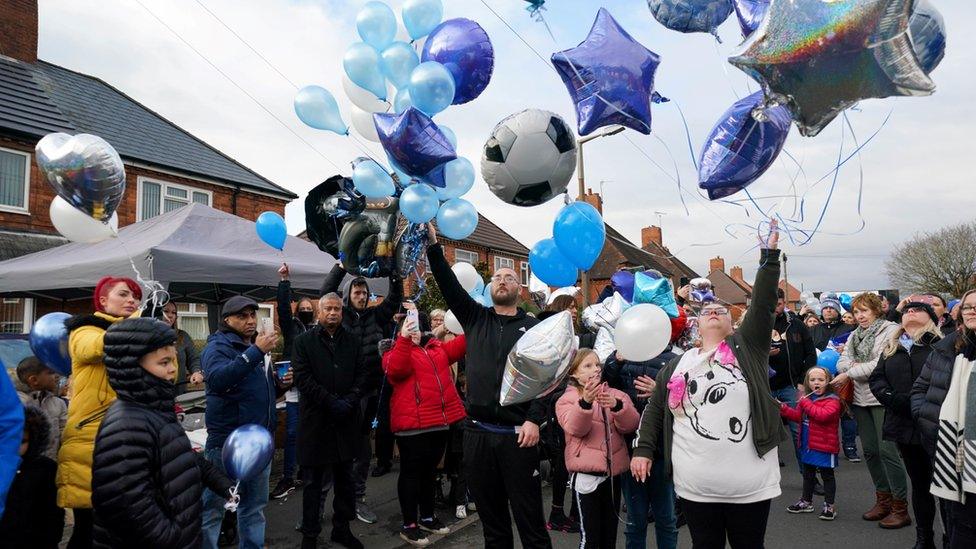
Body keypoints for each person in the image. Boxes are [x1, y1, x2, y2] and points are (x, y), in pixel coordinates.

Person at [631, 221, 786, 549]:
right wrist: (643, 450)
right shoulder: (676, 365)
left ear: (733, 324)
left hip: (750, 487)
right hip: (695, 488)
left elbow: (763, 304)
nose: (714, 312)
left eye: (722, 311)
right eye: (707, 311)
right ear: (696, 324)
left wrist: (769, 256)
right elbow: (657, 409)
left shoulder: (748, 349)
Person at [425, 224, 552, 549]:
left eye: (510, 277)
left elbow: (548, 380)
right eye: (497, 277)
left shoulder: (534, 328)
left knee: (531, 526)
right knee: (493, 528)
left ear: (519, 289)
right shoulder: (475, 318)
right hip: (478, 435)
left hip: (518, 438)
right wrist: (434, 246)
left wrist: (533, 418)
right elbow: (448, 284)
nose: (503, 280)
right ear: (489, 287)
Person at [92, 318, 233, 548]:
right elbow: (127, 506)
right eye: (164, 362)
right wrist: (175, 538)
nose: (173, 370)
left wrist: (220, 482)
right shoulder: (127, 424)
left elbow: (178, 455)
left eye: (174, 360)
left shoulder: (154, 408)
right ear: (133, 366)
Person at [200, 296, 289, 549]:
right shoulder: (217, 348)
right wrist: (256, 351)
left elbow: (257, 391)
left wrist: (280, 385)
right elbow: (217, 380)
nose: (250, 321)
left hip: (259, 443)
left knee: (253, 508)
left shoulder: (254, 348)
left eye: (253, 315)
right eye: (243, 316)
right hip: (227, 444)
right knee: (214, 508)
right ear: (227, 320)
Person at [59, 276, 141, 549]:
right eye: (124, 294)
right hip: (91, 439)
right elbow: (96, 348)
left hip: (128, 437)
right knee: (88, 530)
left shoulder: (137, 333)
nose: (132, 300)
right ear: (103, 301)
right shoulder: (85, 330)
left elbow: (169, 369)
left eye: (136, 297)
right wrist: (140, 325)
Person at [321, 258, 403, 524]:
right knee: (332, 449)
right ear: (347, 296)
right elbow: (325, 293)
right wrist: (341, 267)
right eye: (356, 292)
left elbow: (394, 299)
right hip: (341, 394)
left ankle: (357, 499)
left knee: (362, 450)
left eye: (365, 293)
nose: (362, 296)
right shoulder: (338, 316)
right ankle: (318, 504)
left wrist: (396, 275)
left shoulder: (374, 315)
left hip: (369, 393)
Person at [385, 302, 467, 546]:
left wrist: (469, 321)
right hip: (412, 427)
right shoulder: (393, 351)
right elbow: (396, 370)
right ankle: (410, 524)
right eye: (408, 326)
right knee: (411, 474)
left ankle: (428, 517)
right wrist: (403, 339)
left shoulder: (436, 349)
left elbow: (461, 346)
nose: (414, 330)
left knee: (430, 474)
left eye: (417, 327)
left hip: (439, 423)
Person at [292, 293, 368, 549]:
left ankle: (342, 529)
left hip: (346, 423)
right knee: (313, 484)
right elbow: (303, 378)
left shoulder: (353, 342)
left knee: (345, 482)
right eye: (328, 309)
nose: (333, 313)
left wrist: (350, 400)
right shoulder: (303, 342)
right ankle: (310, 535)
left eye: (337, 308)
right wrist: (331, 402)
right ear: (319, 312)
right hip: (316, 423)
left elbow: (362, 375)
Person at [870, 300, 943, 547]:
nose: (910, 312)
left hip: (935, 425)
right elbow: (877, 379)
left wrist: (921, 405)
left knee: (944, 488)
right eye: (906, 310)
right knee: (920, 486)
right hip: (903, 425)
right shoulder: (892, 347)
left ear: (931, 317)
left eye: (918, 309)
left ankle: (950, 536)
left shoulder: (941, 345)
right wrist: (893, 399)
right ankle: (924, 538)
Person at [833, 292, 909, 528]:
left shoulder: (890, 330)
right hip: (859, 399)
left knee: (888, 452)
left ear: (876, 310)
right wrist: (851, 368)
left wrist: (849, 371)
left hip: (881, 398)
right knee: (869, 451)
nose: (859, 316)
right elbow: (840, 362)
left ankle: (900, 506)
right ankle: (883, 499)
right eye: (856, 312)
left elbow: (879, 364)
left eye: (864, 311)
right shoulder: (855, 335)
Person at [912, 289, 976, 548]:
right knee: (961, 527)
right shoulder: (948, 347)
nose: (972, 311)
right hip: (952, 453)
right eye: (968, 307)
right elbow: (920, 389)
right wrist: (932, 425)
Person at [557, 349, 639, 549]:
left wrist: (618, 407)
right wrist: (585, 402)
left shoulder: (615, 394)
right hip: (586, 476)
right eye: (587, 366)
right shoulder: (566, 400)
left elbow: (631, 425)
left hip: (612, 476)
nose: (595, 369)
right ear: (574, 373)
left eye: (597, 365)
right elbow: (576, 428)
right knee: (590, 538)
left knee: (609, 536)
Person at [604, 345, 681, 549]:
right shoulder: (625, 356)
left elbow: (685, 400)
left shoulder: (675, 359)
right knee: (635, 520)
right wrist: (616, 361)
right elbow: (605, 383)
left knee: (666, 518)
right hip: (630, 449)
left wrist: (661, 390)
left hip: (663, 450)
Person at [271, 262, 318, 500]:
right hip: (293, 389)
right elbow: (281, 308)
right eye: (304, 307)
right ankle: (288, 477)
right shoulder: (292, 328)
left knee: (310, 434)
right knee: (291, 433)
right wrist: (284, 283)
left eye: (311, 307)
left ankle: (306, 472)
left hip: (311, 391)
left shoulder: (317, 332)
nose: (308, 310)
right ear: (298, 310)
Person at [780, 366, 842, 521]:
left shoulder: (833, 401)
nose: (817, 382)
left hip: (825, 446)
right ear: (807, 382)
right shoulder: (807, 399)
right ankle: (806, 502)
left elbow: (822, 416)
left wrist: (805, 402)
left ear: (828, 382)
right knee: (808, 475)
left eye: (821, 380)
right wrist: (783, 409)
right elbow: (798, 418)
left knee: (827, 476)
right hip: (807, 445)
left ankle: (829, 506)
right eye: (812, 380)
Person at [0, 404, 63, 548]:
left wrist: (52, 538)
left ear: (33, 439)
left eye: (21, 441)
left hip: (34, 540)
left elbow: (53, 511)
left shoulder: (45, 468)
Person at [769, 288, 818, 473]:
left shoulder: (797, 325)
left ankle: (809, 479)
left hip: (791, 385)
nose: (775, 308)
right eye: (771, 304)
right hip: (765, 388)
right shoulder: (757, 327)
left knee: (799, 432)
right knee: (767, 434)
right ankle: (767, 479)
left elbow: (810, 355)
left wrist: (802, 382)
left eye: (779, 304)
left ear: (784, 303)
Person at [15, 357, 67, 460]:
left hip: (49, 466)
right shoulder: (15, 405)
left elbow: (65, 435)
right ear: (34, 380)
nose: (57, 376)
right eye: (51, 372)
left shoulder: (58, 403)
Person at [160, 301, 203, 394]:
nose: (170, 315)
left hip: (178, 392)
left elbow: (194, 359)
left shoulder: (182, 336)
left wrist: (196, 372)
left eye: (173, 312)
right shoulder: (146, 335)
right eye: (166, 311)